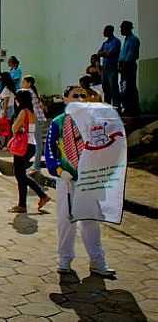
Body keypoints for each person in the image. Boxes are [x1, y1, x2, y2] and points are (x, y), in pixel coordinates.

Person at [45, 85, 115, 277]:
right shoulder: (58, 122)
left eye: (83, 95)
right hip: (67, 179)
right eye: (74, 95)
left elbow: (105, 146)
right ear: (65, 99)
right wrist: (58, 170)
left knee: (91, 221)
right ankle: (65, 259)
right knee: (66, 220)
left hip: (89, 179)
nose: (79, 98)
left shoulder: (95, 122)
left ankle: (97, 261)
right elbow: (50, 150)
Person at [8, 90, 50, 214]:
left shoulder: (23, 111)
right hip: (31, 145)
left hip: (23, 146)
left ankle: (31, 200)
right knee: (21, 176)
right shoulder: (31, 112)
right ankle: (33, 199)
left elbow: (14, 128)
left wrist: (16, 127)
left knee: (20, 175)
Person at [22, 75, 48, 175]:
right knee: (37, 143)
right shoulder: (32, 92)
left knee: (37, 143)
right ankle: (35, 165)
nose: (22, 84)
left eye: (24, 82)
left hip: (36, 119)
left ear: (29, 83)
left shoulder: (29, 92)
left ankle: (36, 166)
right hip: (37, 119)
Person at [119, 20, 140, 116]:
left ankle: (133, 108)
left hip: (129, 65)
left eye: (122, 28)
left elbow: (131, 55)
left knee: (130, 87)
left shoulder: (133, 39)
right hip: (124, 65)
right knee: (124, 87)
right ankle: (127, 107)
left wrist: (124, 65)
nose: (121, 30)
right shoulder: (126, 39)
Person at [97, 25, 121, 109]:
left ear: (110, 31)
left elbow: (109, 54)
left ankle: (116, 107)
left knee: (113, 88)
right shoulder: (105, 43)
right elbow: (98, 53)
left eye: (105, 31)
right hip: (105, 68)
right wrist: (103, 53)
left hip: (112, 68)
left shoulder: (116, 42)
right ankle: (107, 108)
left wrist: (103, 53)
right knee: (106, 89)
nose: (103, 32)